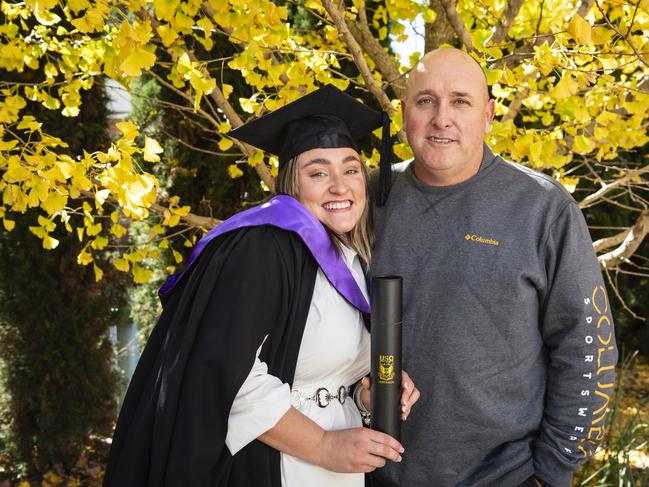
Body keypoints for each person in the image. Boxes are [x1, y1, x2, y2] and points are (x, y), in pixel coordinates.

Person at [103, 85, 420, 487]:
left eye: (351, 169)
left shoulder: (352, 257)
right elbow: (223, 372)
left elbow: (325, 367)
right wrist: (324, 445)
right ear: (291, 182)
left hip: (343, 468)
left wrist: (365, 394)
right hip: (275, 464)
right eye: (318, 172)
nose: (340, 186)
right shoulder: (262, 248)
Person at [370, 48, 618, 487]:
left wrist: (551, 472)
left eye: (460, 101)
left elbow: (587, 350)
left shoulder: (544, 209)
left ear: (488, 115)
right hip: (368, 472)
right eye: (426, 101)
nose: (441, 118)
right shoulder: (365, 201)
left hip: (503, 477)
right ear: (405, 113)